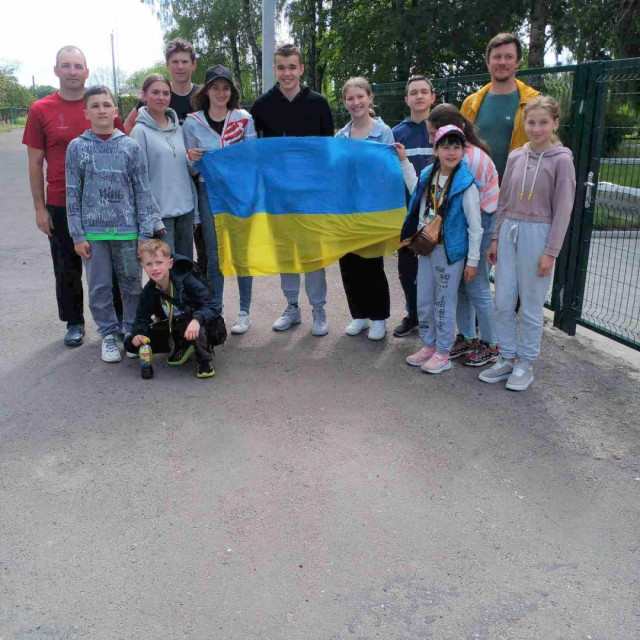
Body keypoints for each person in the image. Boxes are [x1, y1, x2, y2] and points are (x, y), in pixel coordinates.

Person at [22, 45, 125, 348]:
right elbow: (35, 162)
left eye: (78, 66)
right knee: (67, 266)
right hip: (61, 202)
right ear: (56, 70)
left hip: (105, 204)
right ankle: (74, 322)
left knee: (111, 265)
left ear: (87, 71)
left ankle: (118, 319)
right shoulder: (41, 109)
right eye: (66, 66)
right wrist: (40, 208)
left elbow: (123, 145)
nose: (72, 72)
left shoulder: (99, 104)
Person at [479, 96, 575, 391]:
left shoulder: (562, 160)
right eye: (531, 122)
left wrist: (550, 252)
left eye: (543, 122)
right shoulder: (515, 157)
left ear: (555, 123)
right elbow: (504, 200)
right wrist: (495, 237)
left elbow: (563, 209)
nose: (536, 128)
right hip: (510, 231)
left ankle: (525, 363)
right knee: (503, 301)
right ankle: (507, 357)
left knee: (531, 305)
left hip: (539, 234)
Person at [65, 85, 161, 363]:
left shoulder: (130, 147)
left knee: (131, 285)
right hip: (93, 235)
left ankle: (131, 332)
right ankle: (108, 334)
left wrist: (145, 233)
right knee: (99, 287)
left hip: (128, 232)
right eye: (95, 106)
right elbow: (72, 192)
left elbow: (143, 191)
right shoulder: (77, 148)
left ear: (115, 110)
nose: (102, 111)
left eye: (106, 105)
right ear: (86, 112)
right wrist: (77, 235)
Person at [250, 43, 334, 337]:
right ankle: (292, 306)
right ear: (275, 70)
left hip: (310, 196)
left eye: (292, 67)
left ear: (301, 69)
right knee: (286, 252)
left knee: (312, 254)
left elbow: (328, 150)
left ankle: (319, 309)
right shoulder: (261, 106)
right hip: (277, 196)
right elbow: (253, 151)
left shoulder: (318, 103)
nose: (287, 73)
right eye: (281, 68)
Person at [395, 125, 483, 374]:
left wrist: (473, 261)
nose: (451, 152)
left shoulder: (466, 184)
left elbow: (475, 226)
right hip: (426, 248)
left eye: (456, 147)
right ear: (436, 150)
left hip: (449, 252)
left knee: (444, 302)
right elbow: (415, 190)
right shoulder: (428, 175)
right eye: (445, 147)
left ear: (463, 150)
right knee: (424, 298)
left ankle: (443, 352)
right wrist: (404, 162)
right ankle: (429, 345)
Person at [183, 64, 256, 335]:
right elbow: (190, 168)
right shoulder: (193, 122)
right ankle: (215, 311)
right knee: (214, 255)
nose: (221, 93)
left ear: (232, 91)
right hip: (208, 192)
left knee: (241, 253)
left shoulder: (243, 118)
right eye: (215, 87)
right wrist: (193, 159)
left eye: (226, 88)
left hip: (238, 194)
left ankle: (244, 312)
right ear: (206, 91)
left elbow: (252, 158)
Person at [427, 104, 500, 367]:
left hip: (480, 222)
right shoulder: (462, 152)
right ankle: (468, 337)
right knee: (460, 284)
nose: (431, 140)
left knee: (477, 286)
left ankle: (491, 344)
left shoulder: (468, 159)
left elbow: (468, 207)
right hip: (464, 223)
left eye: (433, 133)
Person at [335, 77, 394, 341]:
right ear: (345, 102)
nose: (356, 102)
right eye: (350, 98)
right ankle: (359, 315)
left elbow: (387, 172)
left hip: (372, 210)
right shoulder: (340, 136)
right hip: (346, 210)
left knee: (371, 264)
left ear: (370, 97)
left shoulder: (383, 132)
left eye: (360, 96)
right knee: (349, 264)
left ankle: (379, 317)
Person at [124, 240, 219, 378]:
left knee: (192, 321)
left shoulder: (187, 280)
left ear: (170, 263)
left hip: (200, 323)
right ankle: (182, 345)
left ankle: (204, 360)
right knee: (130, 344)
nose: (154, 268)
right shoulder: (149, 291)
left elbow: (213, 305)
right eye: (149, 264)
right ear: (143, 267)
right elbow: (141, 317)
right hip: (174, 326)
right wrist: (138, 333)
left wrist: (197, 320)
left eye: (159, 262)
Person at [130, 74, 197, 259]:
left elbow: (186, 168)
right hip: (160, 216)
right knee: (164, 269)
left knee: (185, 267)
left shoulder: (179, 129)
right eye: (155, 92)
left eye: (166, 93)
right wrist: (152, 218)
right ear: (144, 95)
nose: (161, 97)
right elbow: (138, 181)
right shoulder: (139, 132)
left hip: (185, 211)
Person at [391, 75, 436, 338]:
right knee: (407, 269)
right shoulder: (396, 133)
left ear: (432, 97)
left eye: (424, 92)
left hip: (437, 214)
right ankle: (413, 315)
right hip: (406, 213)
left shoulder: (442, 131)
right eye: (414, 92)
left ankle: (437, 320)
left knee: (437, 268)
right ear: (406, 99)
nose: (419, 96)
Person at [461, 33, 539, 180]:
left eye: (508, 57)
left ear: (518, 62)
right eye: (497, 57)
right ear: (488, 63)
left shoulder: (534, 102)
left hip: (519, 185)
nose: (502, 62)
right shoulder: (470, 104)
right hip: (476, 185)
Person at [124, 38, 199, 132]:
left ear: (193, 65)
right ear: (167, 65)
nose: (180, 67)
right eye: (175, 62)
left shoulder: (203, 95)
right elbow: (129, 125)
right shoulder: (156, 96)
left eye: (185, 62)